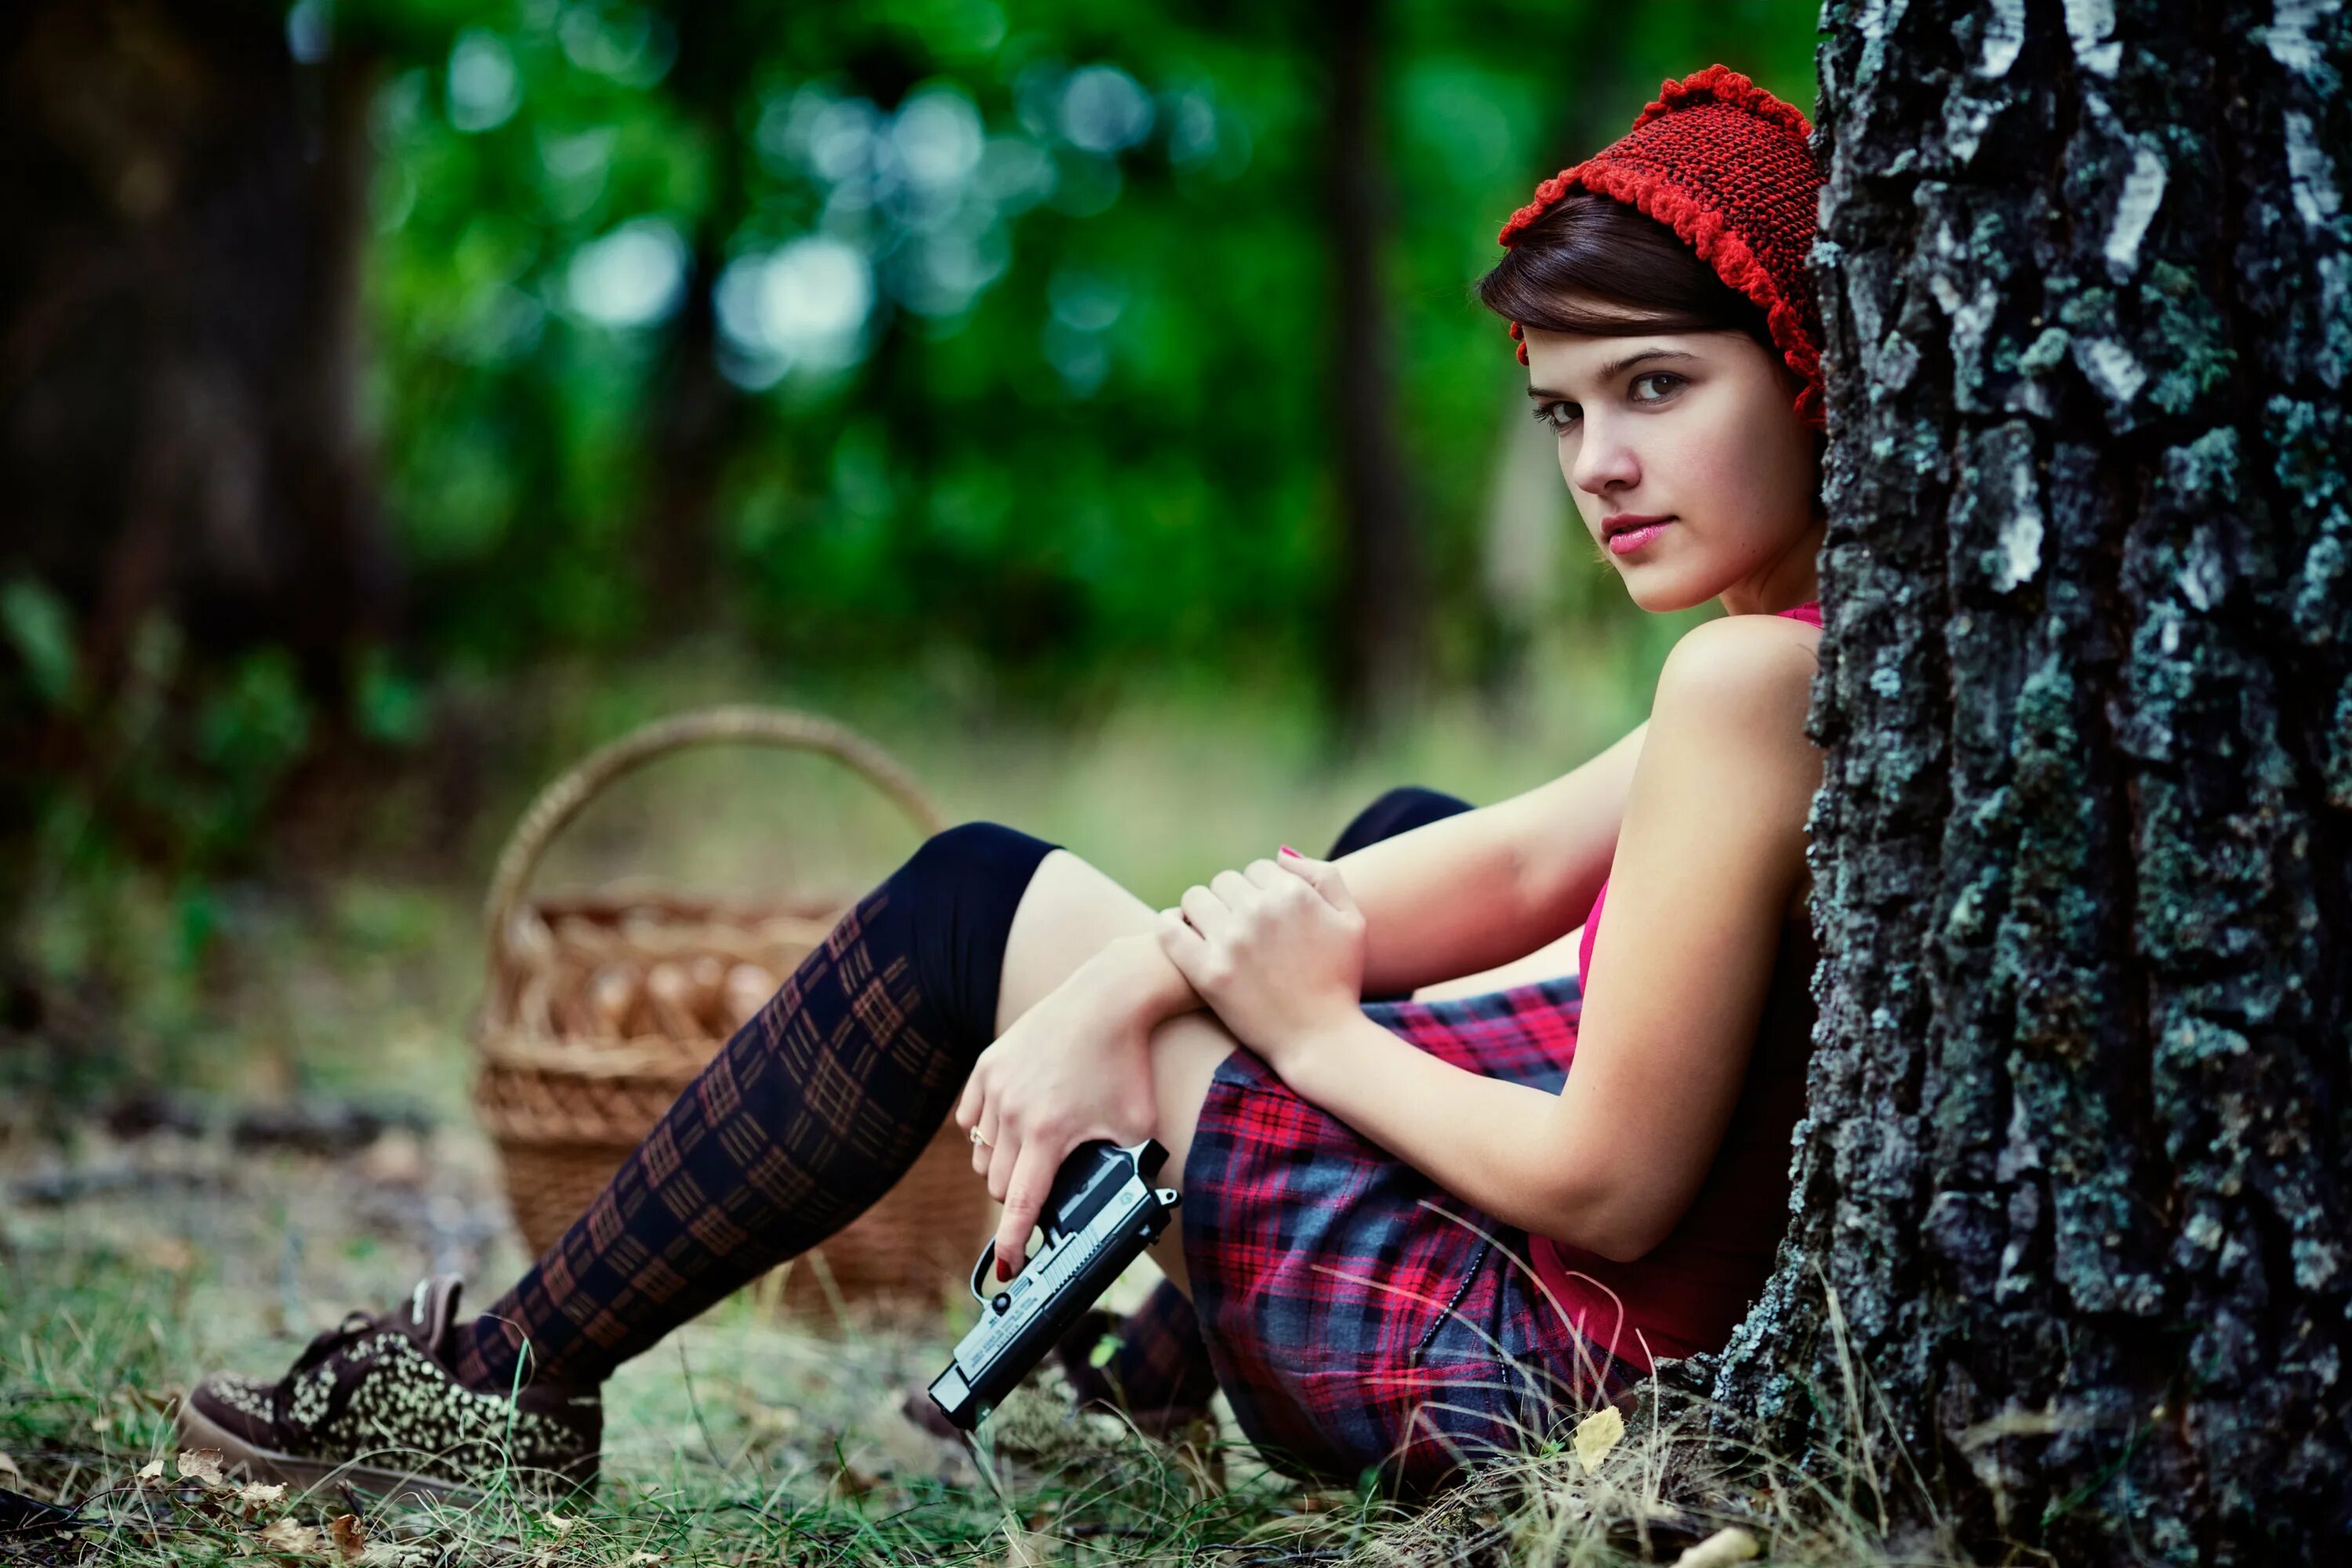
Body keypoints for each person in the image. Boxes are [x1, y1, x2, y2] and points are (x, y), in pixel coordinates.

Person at [179, 62, 1831, 1504]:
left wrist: (1303, 1027)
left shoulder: (1749, 676)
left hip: (1523, 1376)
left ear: (1812, 363)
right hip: (1577, 1349)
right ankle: (1163, 1357)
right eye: (1562, 409)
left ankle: (510, 1387)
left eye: (1659, 386)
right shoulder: (1817, 648)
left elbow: (1612, 1188)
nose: (1599, 464)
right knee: (1401, 840)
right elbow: (1519, 861)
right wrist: (1130, 982)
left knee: (970, 902)